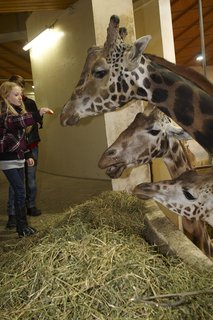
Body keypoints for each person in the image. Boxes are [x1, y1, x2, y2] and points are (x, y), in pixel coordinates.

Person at [0, 81, 53, 237]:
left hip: (18, 157)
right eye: (16, 95)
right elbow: (18, 122)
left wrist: (28, 155)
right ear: (6, 96)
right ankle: (21, 226)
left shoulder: (16, 111)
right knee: (20, 191)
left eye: (21, 95)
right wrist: (38, 113)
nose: (20, 98)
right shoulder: (4, 114)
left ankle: (20, 225)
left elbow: (22, 138)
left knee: (19, 191)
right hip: (7, 158)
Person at [6, 75, 42, 229]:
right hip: (14, 150)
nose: (19, 95)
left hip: (30, 145)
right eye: (15, 90)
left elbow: (38, 122)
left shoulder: (30, 103)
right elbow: (15, 123)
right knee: (16, 184)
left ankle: (30, 206)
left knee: (31, 178)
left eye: (20, 89)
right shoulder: (7, 107)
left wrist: (33, 123)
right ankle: (13, 214)